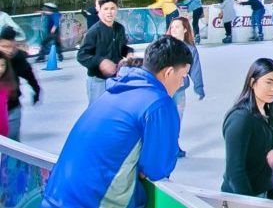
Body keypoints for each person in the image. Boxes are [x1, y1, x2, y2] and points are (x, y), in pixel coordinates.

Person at [41, 36, 191, 208]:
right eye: (183, 77)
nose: (181, 84)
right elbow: (157, 169)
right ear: (169, 73)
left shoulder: (115, 91)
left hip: (55, 198)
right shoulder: (158, 103)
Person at [223, 58, 273, 199]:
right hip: (243, 196)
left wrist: (271, 190)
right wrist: (248, 203)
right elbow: (235, 171)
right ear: (252, 82)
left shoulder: (268, 113)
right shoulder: (241, 119)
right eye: (269, 82)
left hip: (263, 193)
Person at [77, 0, 131, 105]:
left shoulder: (119, 28)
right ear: (99, 11)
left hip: (117, 78)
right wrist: (100, 61)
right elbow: (82, 55)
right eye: (106, 9)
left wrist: (129, 53)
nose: (109, 12)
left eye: (112, 8)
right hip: (98, 81)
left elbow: (121, 47)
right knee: (97, 112)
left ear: (117, 10)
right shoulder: (94, 32)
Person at [167, 17, 205, 158]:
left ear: (185, 29)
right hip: (163, 91)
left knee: (176, 119)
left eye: (177, 27)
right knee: (164, 120)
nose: (174, 30)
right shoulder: (164, 45)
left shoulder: (190, 49)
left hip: (179, 91)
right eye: (172, 27)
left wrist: (199, 87)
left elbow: (195, 69)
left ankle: (173, 145)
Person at [0, 26, 40, 140]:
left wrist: (36, 92)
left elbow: (30, 77)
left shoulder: (18, 59)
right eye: (4, 46)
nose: (9, 50)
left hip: (12, 108)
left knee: (12, 143)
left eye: (12, 47)